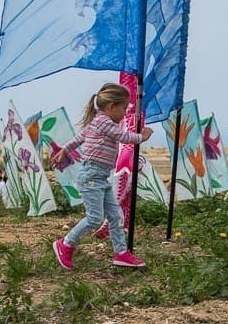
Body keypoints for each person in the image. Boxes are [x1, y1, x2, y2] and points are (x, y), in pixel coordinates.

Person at [50, 83, 152, 269]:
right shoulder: (105, 122)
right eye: (123, 108)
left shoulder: (98, 122)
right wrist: (142, 137)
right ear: (112, 106)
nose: (124, 113)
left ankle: (121, 253)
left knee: (115, 215)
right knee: (95, 218)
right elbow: (124, 137)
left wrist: (65, 150)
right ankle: (65, 244)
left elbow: (78, 138)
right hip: (91, 176)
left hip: (100, 177)